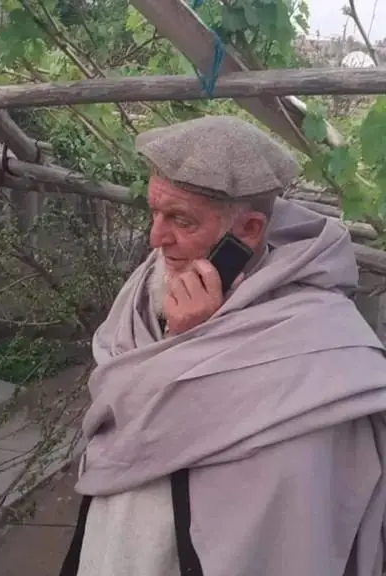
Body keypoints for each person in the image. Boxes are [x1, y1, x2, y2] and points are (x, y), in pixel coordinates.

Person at [59, 116, 386, 576]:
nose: (155, 238)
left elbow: (294, 509)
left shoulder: (322, 340)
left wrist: (189, 346)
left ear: (249, 229)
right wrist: (180, 337)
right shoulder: (149, 286)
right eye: (154, 212)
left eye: (181, 220)